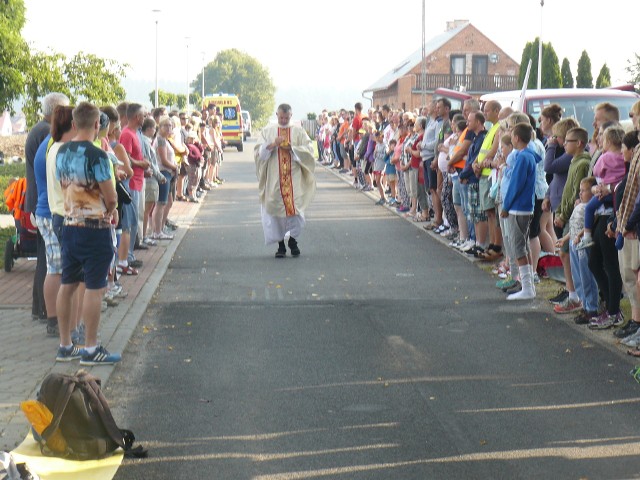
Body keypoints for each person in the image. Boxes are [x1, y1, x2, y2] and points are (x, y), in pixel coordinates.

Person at [55, 102, 120, 365]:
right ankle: (91, 348)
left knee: (67, 285)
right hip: (95, 227)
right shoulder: (97, 155)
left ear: (73, 124)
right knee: (95, 288)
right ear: (96, 125)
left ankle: (65, 345)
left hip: (69, 225)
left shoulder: (61, 152)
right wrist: (112, 208)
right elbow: (111, 194)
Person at [25, 92, 70, 322]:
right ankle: (47, 310)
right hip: (46, 205)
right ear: (58, 114)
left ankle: (43, 309)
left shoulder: (42, 132)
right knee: (51, 264)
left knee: (48, 261)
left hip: (41, 202)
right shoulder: (48, 135)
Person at [255, 104, 316, 258]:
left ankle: (293, 240)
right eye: (281, 117)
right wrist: (273, 144)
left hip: (293, 178)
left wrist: (293, 148)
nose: (283, 120)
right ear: (277, 115)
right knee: (275, 211)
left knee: (295, 210)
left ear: (291, 115)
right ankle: (281, 244)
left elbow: (309, 150)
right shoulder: (268, 131)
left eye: (286, 118)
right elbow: (259, 153)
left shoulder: (299, 132)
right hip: (275, 179)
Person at [500, 122, 539, 300]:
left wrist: (506, 206)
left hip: (518, 208)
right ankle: (527, 284)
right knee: (523, 246)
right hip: (525, 207)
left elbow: (516, 184)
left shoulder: (523, 158)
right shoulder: (529, 156)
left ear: (516, 138)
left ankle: (527, 288)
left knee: (518, 248)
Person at [575, 125, 626, 250]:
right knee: (618, 214)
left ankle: (587, 235)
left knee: (589, 208)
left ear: (608, 142)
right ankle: (619, 236)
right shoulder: (624, 156)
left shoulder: (605, 157)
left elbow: (596, 171)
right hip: (618, 194)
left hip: (604, 193)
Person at [555, 177, 599, 317]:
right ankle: (583, 303)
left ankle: (591, 307)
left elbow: (589, 225)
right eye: (580, 191)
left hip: (583, 245)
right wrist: (565, 239)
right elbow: (573, 226)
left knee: (586, 275)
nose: (580, 193)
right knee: (577, 276)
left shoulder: (592, 207)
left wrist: (580, 235)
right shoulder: (579, 205)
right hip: (574, 244)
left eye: (584, 191)